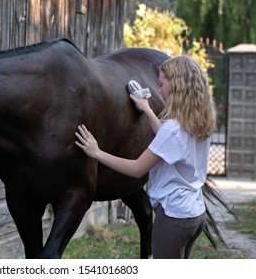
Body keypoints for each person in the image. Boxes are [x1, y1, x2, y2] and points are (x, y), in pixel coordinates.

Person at [75, 55, 216, 259]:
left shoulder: (173, 129)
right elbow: (171, 143)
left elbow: (137, 169)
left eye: (161, 84)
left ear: (176, 86)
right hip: (194, 214)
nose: (159, 89)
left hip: (173, 218)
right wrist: (147, 110)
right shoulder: (198, 122)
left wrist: (96, 152)